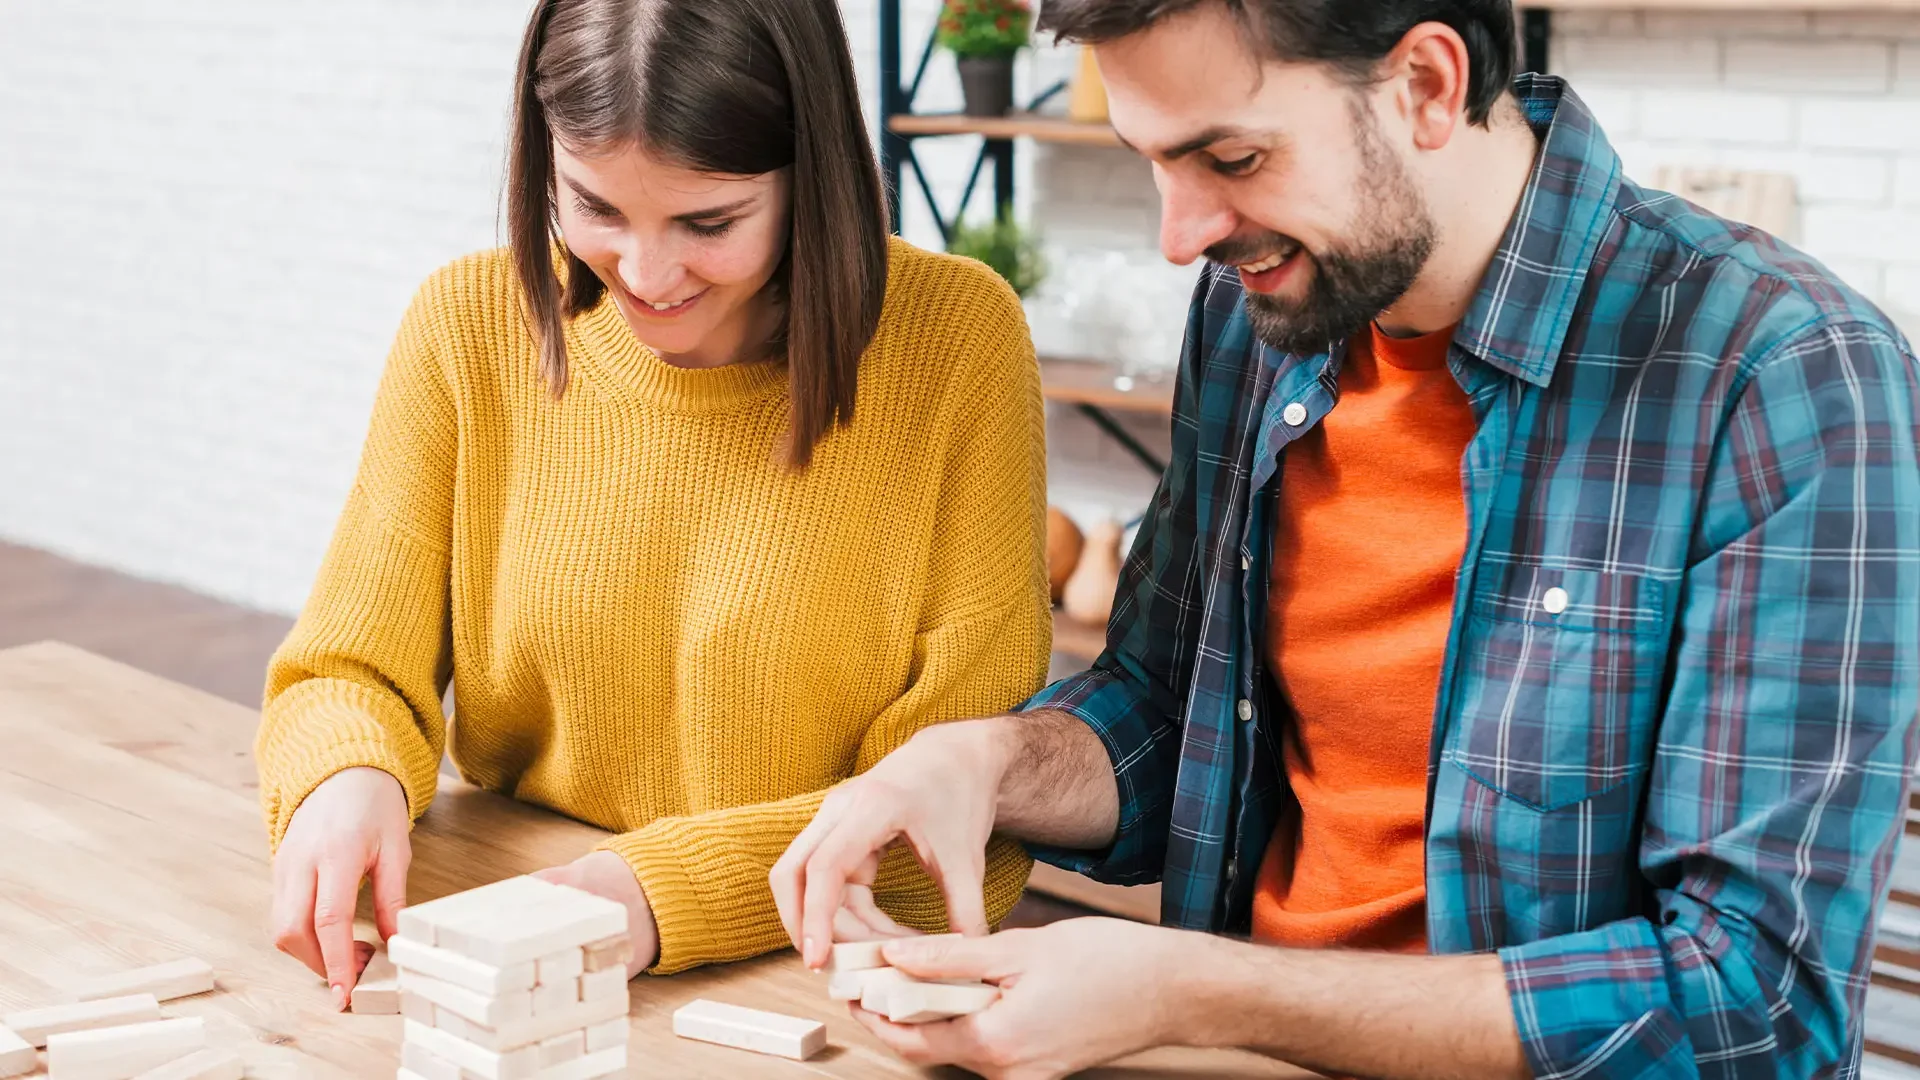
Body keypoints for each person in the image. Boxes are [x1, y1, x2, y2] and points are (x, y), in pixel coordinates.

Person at [772, 1, 1920, 1076]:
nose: (1182, 236)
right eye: (1153, 161)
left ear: (1426, 84)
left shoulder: (1789, 379)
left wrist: (1194, 990)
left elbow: (1755, 1004)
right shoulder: (1256, 311)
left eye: (1232, 161)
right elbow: (1171, 714)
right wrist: (981, 763)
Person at [257, 0, 1050, 1010]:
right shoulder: (468, 325)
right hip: (518, 927)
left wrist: (653, 892)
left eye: (707, 222)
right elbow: (345, 669)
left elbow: (949, 802)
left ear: (812, 177)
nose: (646, 273)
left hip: (833, 969)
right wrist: (345, 773)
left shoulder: (954, 340)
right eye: (594, 207)